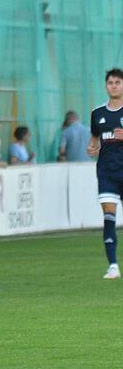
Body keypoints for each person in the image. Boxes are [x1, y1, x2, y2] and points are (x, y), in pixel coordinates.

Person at [88, 68, 123, 280]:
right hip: (107, 173)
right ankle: (113, 266)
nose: (114, 86)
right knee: (109, 217)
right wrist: (92, 148)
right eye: (110, 82)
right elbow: (94, 140)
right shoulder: (97, 113)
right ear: (105, 86)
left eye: (118, 82)